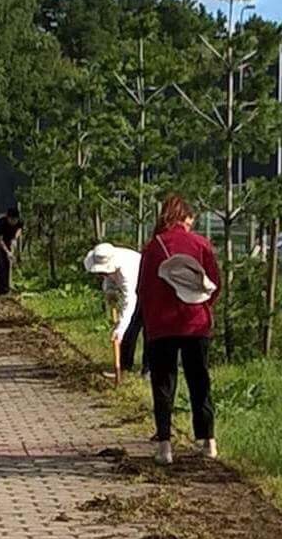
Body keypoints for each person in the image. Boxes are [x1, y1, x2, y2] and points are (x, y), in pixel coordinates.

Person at [137, 195, 221, 464]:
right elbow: (214, 283)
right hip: (195, 323)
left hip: (161, 325)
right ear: (187, 218)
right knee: (199, 380)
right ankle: (208, 441)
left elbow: (143, 289)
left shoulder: (153, 247)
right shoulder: (201, 243)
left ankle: (165, 446)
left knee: (163, 383)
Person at [83, 241, 144, 374]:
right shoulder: (108, 262)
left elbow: (130, 300)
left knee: (147, 330)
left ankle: (148, 370)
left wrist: (120, 328)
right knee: (129, 330)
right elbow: (109, 277)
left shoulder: (127, 270)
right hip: (133, 293)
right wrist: (109, 290)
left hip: (149, 289)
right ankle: (124, 367)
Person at [0, 207, 23, 296]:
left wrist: (15, 238)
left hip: (8, 239)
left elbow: (20, 229)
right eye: (12, 219)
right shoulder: (0, 224)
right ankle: (0, 288)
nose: (14, 222)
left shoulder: (19, 222)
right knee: (0, 263)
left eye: (15, 219)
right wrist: (7, 252)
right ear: (7, 217)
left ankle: (7, 286)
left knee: (8, 263)